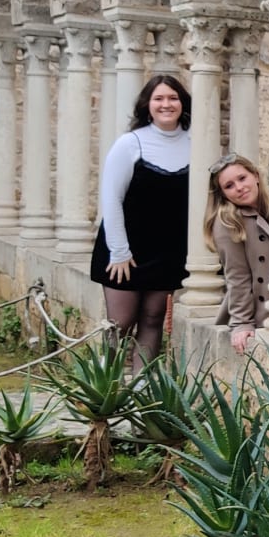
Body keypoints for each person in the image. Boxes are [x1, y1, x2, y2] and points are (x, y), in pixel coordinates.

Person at [91, 75, 191, 371]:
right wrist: (119, 251)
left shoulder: (197, 142)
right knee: (120, 324)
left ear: (182, 103)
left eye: (172, 98)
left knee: (152, 318)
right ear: (147, 105)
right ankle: (102, 386)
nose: (166, 104)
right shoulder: (129, 143)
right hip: (126, 250)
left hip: (169, 250)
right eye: (159, 98)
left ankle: (140, 386)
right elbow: (111, 199)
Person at [204, 154, 269, 355]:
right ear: (223, 194)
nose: (239, 187)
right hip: (264, 312)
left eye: (242, 178)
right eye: (229, 186)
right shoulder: (228, 222)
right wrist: (242, 323)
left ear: (256, 176)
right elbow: (237, 276)